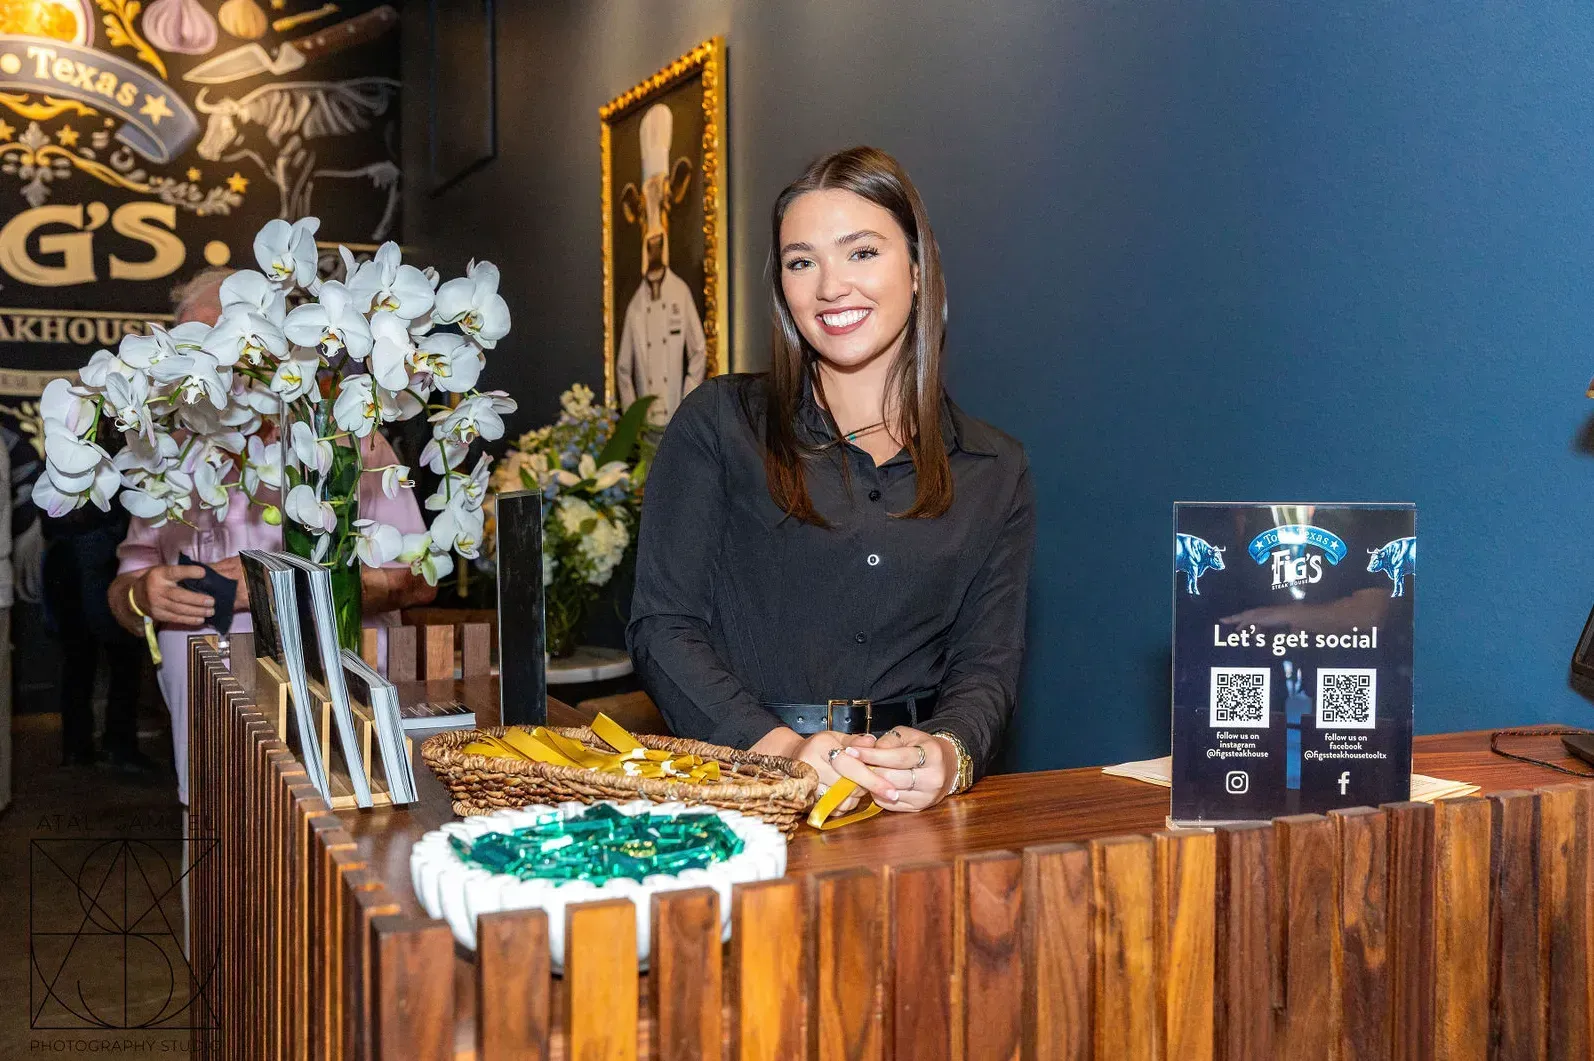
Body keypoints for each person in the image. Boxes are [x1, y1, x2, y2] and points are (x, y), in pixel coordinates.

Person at [628, 146, 1035, 813]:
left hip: (912, 812)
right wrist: (780, 749)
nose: (830, 286)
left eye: (861, 252)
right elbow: (662, 628)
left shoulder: (995, 467)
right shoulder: (720, 425)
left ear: (917, 263)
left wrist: (949, 752)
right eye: (801, 261)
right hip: (744, 799)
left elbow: (987, 667)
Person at [107, 267, 437, 804]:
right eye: (191, 345)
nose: (212, 361)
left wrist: (277, 588)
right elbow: (123, 592)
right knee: (218, 863)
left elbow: (418, 582)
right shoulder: (167, 460)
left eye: (225, 340)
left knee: (340, 857)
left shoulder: (345, 442)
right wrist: (142, 595)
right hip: (205, 730)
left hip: (337, 720)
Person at [615, 102, 708, 427]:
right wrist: (632, 418)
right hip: (646, 429)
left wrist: (687, 400)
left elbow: (699, 351)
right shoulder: (636, 305)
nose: (653, 235)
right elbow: (623, 369)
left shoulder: (680, 292)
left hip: (676, 420)